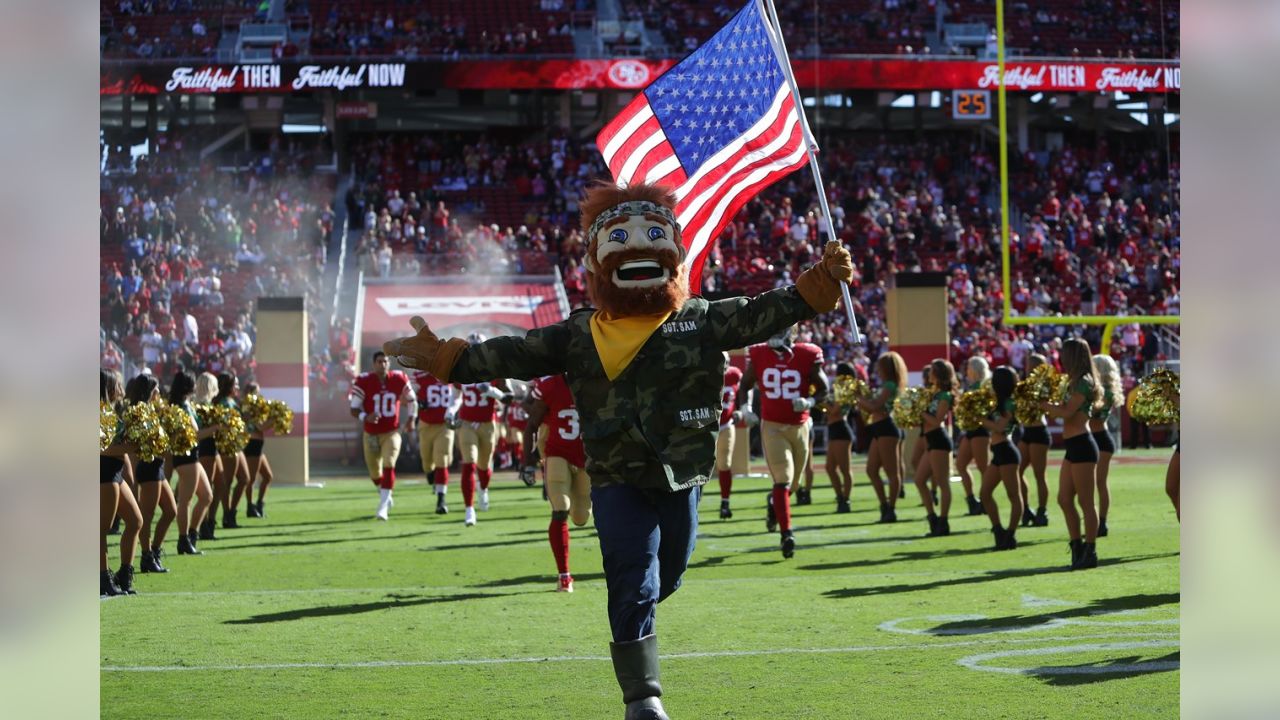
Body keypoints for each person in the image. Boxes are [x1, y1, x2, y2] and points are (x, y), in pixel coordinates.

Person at [383, 181, 853, 720]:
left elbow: (764, 313)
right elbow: (510, 354)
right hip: (614, 476)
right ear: (596, 260)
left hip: (681, 475)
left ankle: (642, 629)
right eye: (620, 240)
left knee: (666, 574)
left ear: (674, 252)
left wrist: (819, 283)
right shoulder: (581, 333)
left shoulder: (700, 319)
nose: (638, 249)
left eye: (654, 236)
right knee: (632, 572)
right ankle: (643, 698)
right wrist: (447, 357)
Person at [739, 327, 827, 558]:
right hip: (773, 426)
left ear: (793, 333)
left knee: (794, 484)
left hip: (800, 426)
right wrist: (745, 407)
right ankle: (787, 534)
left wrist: (809, 401)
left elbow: (824, 389)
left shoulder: (807, 354)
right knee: (783, 479)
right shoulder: (758, 353)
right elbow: (746, 384)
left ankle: (773, 504)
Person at [523, 374, 591, 592]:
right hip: (557, 454)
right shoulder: (550, 385)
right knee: (560, 508)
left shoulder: (594, 382)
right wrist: (527, 462)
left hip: (585, 458)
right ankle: (564, 576)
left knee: (581, 518)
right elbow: (531, 423)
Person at [1043, 338, 1104, 570]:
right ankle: (1077, 546)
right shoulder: (1073, 381)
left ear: (1073, 356)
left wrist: (1044, 405)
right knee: (1064, 499)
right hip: (1073, 445)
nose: (1061, 358)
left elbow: (1068, 413)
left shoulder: (1084, 382)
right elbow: (1063, 410)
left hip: (1082, 444)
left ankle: (1090, 551)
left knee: (1086, 502)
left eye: (1064, 354)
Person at [350, 351, 417, 521]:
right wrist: (366, 416)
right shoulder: (364, 381)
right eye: (379, 361)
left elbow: (412, 399)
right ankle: (385, 495)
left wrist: (411, 419)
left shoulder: (398, 378)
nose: (383, 364)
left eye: (385, 361)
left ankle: (382, 507)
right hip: (371, 433)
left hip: (391, 432)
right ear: (374, 364)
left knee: (389, 463)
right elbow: (354, 409)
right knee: (375, 473)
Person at [124, 374, 178, 574]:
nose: (159, 393)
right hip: (149, 466)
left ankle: (154, 550)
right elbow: (138, 442)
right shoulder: (138, 411)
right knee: (147, 516)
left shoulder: (152, 410)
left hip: (158, 467)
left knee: (171, 511)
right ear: (149, 391)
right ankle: (146, 556)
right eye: (155, 389)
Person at [455, 334, 511, 526]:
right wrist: (450, 411)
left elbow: (509, 397)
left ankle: (483, 489)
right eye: (473, 348)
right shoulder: (460, 369)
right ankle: (469, 509)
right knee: (468, 464)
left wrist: (492, 392)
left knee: (484, 466)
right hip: (467, 423)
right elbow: (454, 396)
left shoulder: (496, 369)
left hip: (488, 423)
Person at [101, 370, 142, 596]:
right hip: (103, 473)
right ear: (108, 388)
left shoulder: (112, 411)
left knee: (136, 521)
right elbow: (101, 448)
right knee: (101, 530)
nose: (122, 391)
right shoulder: (97, 412)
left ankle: (124, 574)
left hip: (115, 472)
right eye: (118, 386)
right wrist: (133, 447)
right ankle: (103, 578)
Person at [167, 371, 216, 555]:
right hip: (186, 456)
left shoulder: (185, 404)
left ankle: (190, 536)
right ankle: (183, 540)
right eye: (193, 383)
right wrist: (216, 429)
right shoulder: (182, 406)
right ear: (188, 386)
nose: (196, 386)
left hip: (190, 456)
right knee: (186, 501)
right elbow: (195, 434)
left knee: (206, 496)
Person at [856, 352, 909, 523]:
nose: (877, 369)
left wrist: (858, 397)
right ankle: (884, 505)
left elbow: (874, 407)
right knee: (871, 470)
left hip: (887, 428)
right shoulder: (887, 385)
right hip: (880, 428)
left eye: (880, 366)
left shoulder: (890, 385)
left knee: (891, 472)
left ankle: (891, 509)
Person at [978, 366, 1023, 550]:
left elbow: (1001, 426)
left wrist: (980, 419)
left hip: (1007, 451)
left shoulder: (1010, 403)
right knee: (985, 494)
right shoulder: (995, 401)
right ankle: (998, 531)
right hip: (998, 452)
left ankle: (1010, 535)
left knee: (1013, 496)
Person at [914, 359, 957, 537]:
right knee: (919, 480)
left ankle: (943, 522)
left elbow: (937, 421)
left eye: (931, 371)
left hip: (939, 441)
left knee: (942, 483)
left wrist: (919, 410)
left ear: (938, 374)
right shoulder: (933, 393)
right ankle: (932, 518)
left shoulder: (945, 396)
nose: (928, 374)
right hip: (931, 440)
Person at [410, 369, 459, 515]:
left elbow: (459, 395)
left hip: (445, 425)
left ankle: (441, 500)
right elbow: (410, 397)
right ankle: (430, 474)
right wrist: (418, 402)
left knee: (442, 460)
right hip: (426, 424)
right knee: (427, 462)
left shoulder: (452, 374)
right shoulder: (418, 376)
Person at [1089, 354, 1125, 536]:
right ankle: (1098, 521)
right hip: (1098, 438)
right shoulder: (1102, 390)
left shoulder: (1104, 392)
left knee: (1098, 483)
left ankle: (1100, 522)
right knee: (1097, 483)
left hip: (1100, 439)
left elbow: (1093, 411)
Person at [213, 373, 252, 529]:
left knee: (245, 479)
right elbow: (225, 426)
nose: (237, 387)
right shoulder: (223, 403)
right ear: (228, 386)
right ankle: (226, 516)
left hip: (236, 445)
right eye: (235, 384)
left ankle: (231, 512)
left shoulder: (232, 402)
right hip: (228, 446)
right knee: (226, 483)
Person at [1018, 353, 1052, 527]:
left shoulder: (1044, 386)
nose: (1028, 369)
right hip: (1026, 431)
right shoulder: (1024, 385)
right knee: (1018, 470)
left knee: (1039, 474)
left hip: (1039, 431)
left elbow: (1045, 409)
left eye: (1032, 366)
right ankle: (1025, 509)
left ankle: (1042, 510)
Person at [955, 356, 991, 516]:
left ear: (975, 369)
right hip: (970, 430)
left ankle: (985, 501)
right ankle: (972, 500)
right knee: (961, 465)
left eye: (969, 367)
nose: (966, 370)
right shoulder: (971, 386)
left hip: (981, 431)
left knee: (984, 469)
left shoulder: (984, 386)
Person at [824, 362, 858, 513]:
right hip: (835, 429)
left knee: (845, 469)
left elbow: (834, 411)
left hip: (840, 430)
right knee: (830, 468)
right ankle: (840, 497)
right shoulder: (841, 389)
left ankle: (846, 499)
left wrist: (822, 403)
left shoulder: (845, 390)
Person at [714, 356, 744, 519]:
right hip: (707, 427)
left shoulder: (734, 374)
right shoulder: (707, 374)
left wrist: (741, 409)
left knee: (724, 463)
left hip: (726, 425)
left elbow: (745, 390)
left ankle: (725, 502)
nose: (723, 366)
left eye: (725, 362)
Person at [194, 372, 222, 540]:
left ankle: (209, 523)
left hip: (211, 448)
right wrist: (217, 428)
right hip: (206, 448)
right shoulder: (201, 406)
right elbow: (197, 433)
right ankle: (203, 526)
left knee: (220, 484)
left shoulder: (206, 405)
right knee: (207, 489)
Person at [242, 382, 275, 518]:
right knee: (251, 479)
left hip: (258, 444)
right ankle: (250, 507)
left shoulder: (256, 407)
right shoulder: (248, 408)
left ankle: (259, 504)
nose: (259, 395)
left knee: (267, 476)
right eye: (257, 392)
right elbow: (260, 427)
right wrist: (274, 419)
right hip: (252, 444)